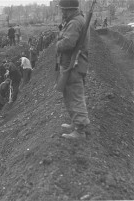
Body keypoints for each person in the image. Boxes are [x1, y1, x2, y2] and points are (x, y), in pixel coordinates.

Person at [56, 0, 90, 139]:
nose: (62, 13)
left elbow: (68, 43)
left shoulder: (75, 22)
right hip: (72, 64)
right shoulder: (76, 20)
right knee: (70, 95)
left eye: (63, 10)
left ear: (69, 10)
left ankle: (80, 131)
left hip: (74, 66)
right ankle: (75, 123)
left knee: (75, 97)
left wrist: (58, 43)